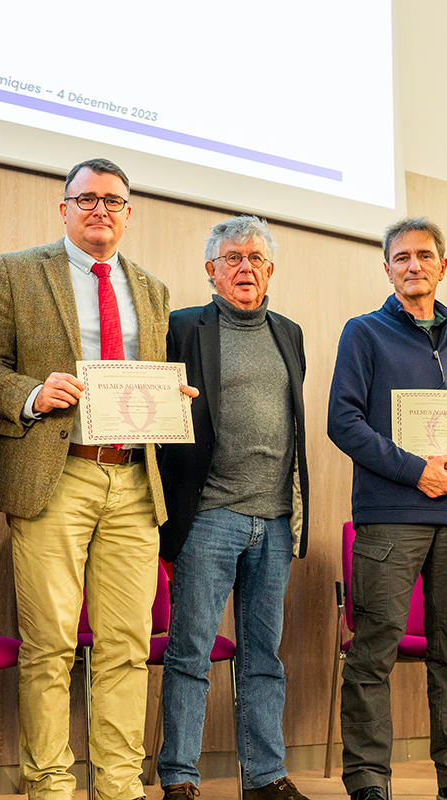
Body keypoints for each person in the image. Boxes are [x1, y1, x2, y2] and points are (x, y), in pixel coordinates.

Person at [0, 158, 192, 800]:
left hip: (132, 480)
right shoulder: (16, 271)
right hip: (54, 474)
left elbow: (146, 379)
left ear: (129, 212)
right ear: (62, 206)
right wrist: (35, 393)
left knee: (127, 645)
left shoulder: (151, 289)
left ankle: (121, 786)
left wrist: (169, 397)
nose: (100, 210)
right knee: (49, 646)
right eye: (87, 199)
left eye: (113, 201)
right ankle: (48, 783)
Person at [328, 217, 447, 800]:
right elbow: (342, 422)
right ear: (387, 268)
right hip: (388, 521)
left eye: (424, 256)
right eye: (400, 257)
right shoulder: (364, 333)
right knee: (373, 654)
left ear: (442, 266)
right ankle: (369, 781)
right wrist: (415, 470)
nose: (413, 266)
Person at [156, 216, 310, 800]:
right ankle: (179, 778)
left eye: (255, 258)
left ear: (269, 269)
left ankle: (265, 776)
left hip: (274, 517)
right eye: (232, 259)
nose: (245, 268)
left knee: (264, 657)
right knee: (191, 651)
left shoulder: (289, 332)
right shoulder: (184, 328)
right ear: (211, 271)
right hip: (209, 516)